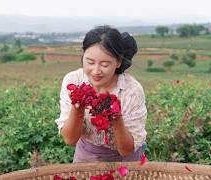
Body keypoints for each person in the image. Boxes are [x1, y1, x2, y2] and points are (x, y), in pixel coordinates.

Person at [55, 25, 147, 163]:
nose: (96, 71)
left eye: (104, 64)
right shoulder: (74, 81)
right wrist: (78, 108)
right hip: (86, 155)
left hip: (125, 160)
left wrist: (116, 118)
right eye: (90, 62)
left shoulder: (131, 91)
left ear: (118, 62)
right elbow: (70, 139)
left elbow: (126, 149)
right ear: (82, 57)